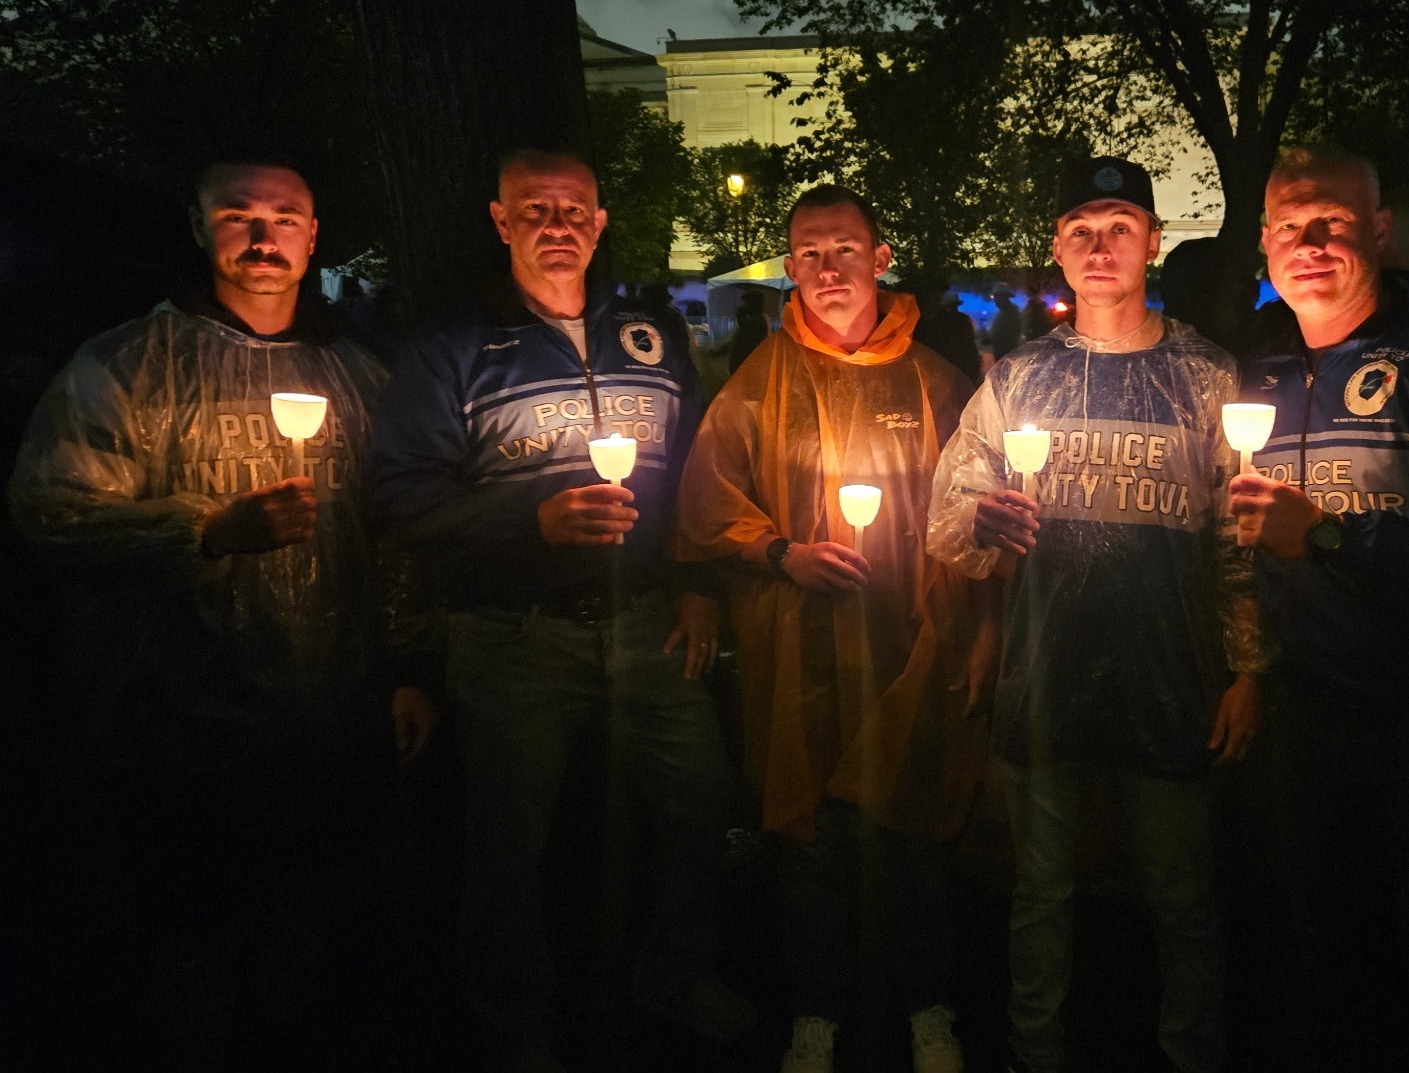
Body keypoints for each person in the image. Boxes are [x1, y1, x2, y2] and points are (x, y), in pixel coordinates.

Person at [8, 158, 426, 1063]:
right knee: (190, 936)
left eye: (285, 218)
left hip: (330, 717)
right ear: (201, 229)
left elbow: (393, 534)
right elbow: (54, 513)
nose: (264, 237)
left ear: (313, 238)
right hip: (178, 722)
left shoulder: (359, 375)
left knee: (306, 923)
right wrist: (204, 533)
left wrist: (406, 669)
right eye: (239, 216)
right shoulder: (128, 364)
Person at [368, 149, 747, 1071]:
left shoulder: (648, 335)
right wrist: (527, 519)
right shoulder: (452, 345)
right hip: (514, 634)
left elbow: (698, 474)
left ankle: (675, 972)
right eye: (535, 208)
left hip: (647, 621)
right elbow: (398, 495)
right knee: (508, 842)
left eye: (574, 208)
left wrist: (698, 584)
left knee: (704, 802)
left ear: (600, 221)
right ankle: (514, 1021)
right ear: (501, 222)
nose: (557, 224)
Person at [927, 156, 1262, 1073]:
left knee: (1182, 898)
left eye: (1120, 226)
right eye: (1081, 229)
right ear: (1058, 249)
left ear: (1152, 241)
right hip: (1046, 673)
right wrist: (980, 521)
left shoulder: (1207, 376)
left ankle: (1192, 1052)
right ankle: (1035, 1052)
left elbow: (1238, 538)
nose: (1100, 245)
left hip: (1170, 675)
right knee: (1039, 895)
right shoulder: (1019, 379)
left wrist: (1246, 669)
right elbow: (948, 515)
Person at [671, 184, 985, 1073]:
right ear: (789, 267)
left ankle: (928, 1005)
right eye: (808, 253)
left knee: (910, 824)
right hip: (798, 644)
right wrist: (781, 552)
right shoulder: (761, 379)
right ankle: (816, 1010)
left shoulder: (933, 381)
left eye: (844, 247)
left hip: (909, 641)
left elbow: (977, 506)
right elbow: (707, 500)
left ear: (880, 257)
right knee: (808, 834)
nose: (828, 268)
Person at [1224, 146, 1409, 1071]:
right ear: (1265, 242)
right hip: (1302, 713)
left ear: (1379, 233)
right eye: (1289, 226)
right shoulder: (1257, 369)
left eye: (1333, 223)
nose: (1309, 243)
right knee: (1320, 955)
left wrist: (1329, 536)